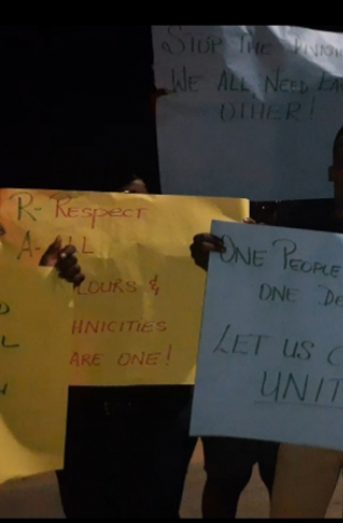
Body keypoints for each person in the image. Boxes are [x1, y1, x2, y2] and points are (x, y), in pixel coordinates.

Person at [191, 117, 343, 518]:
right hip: (305, 422)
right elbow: (257, 288)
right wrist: (217, 260)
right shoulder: (295, 230)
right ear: (331, 172)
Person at [54, 172, 198, 518]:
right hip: (86, 410)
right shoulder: (68, 254)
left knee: (156, 505)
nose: (123, 203)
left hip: (162, 409)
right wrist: (53, 279)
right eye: (112, 196)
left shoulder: (185, 249)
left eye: (135, 197)